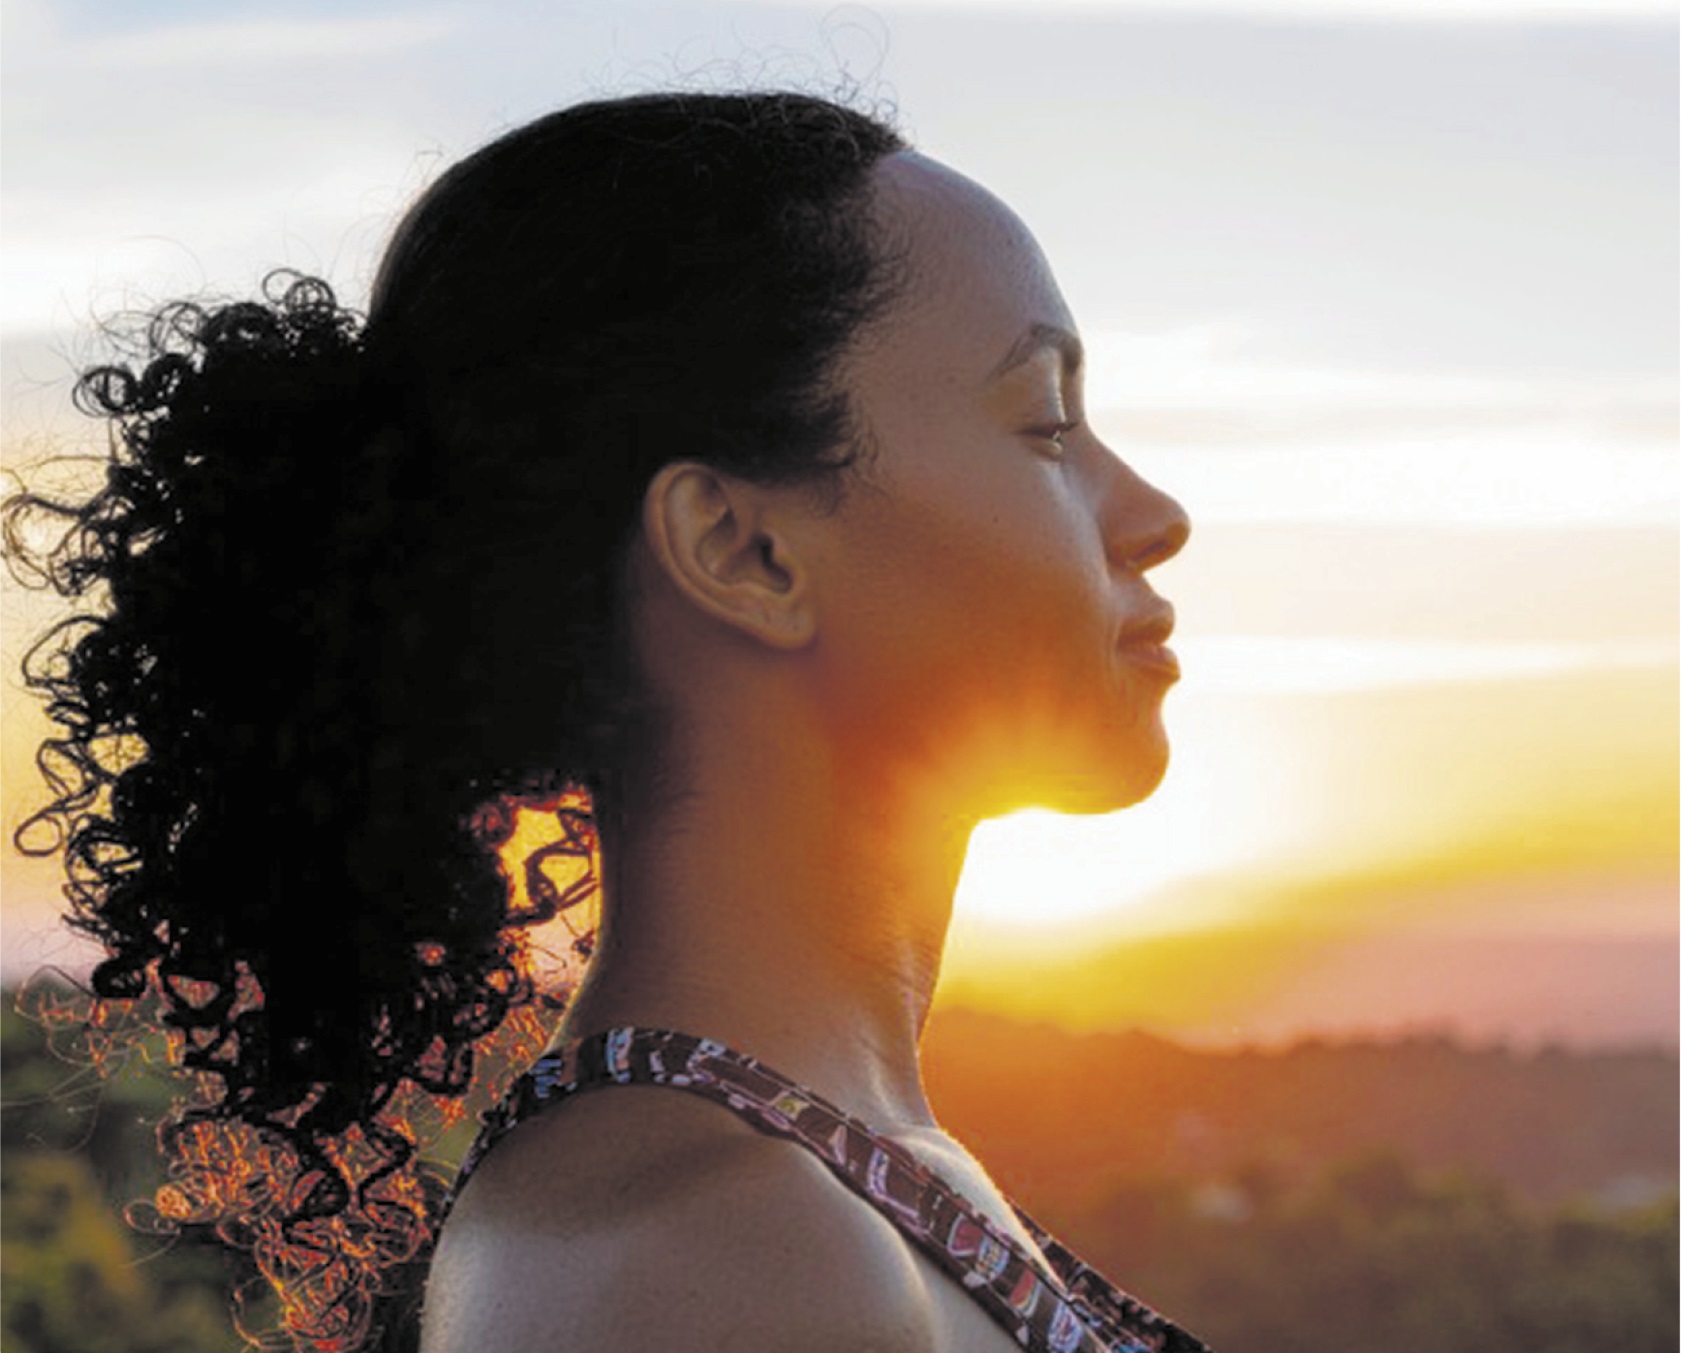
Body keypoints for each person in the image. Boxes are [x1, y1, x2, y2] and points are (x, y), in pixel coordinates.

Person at [6, 91, 1203, 1352]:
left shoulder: (795, 1192)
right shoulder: (704, 1261)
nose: (1154, 514)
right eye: (1045, 422)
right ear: (741, 550)